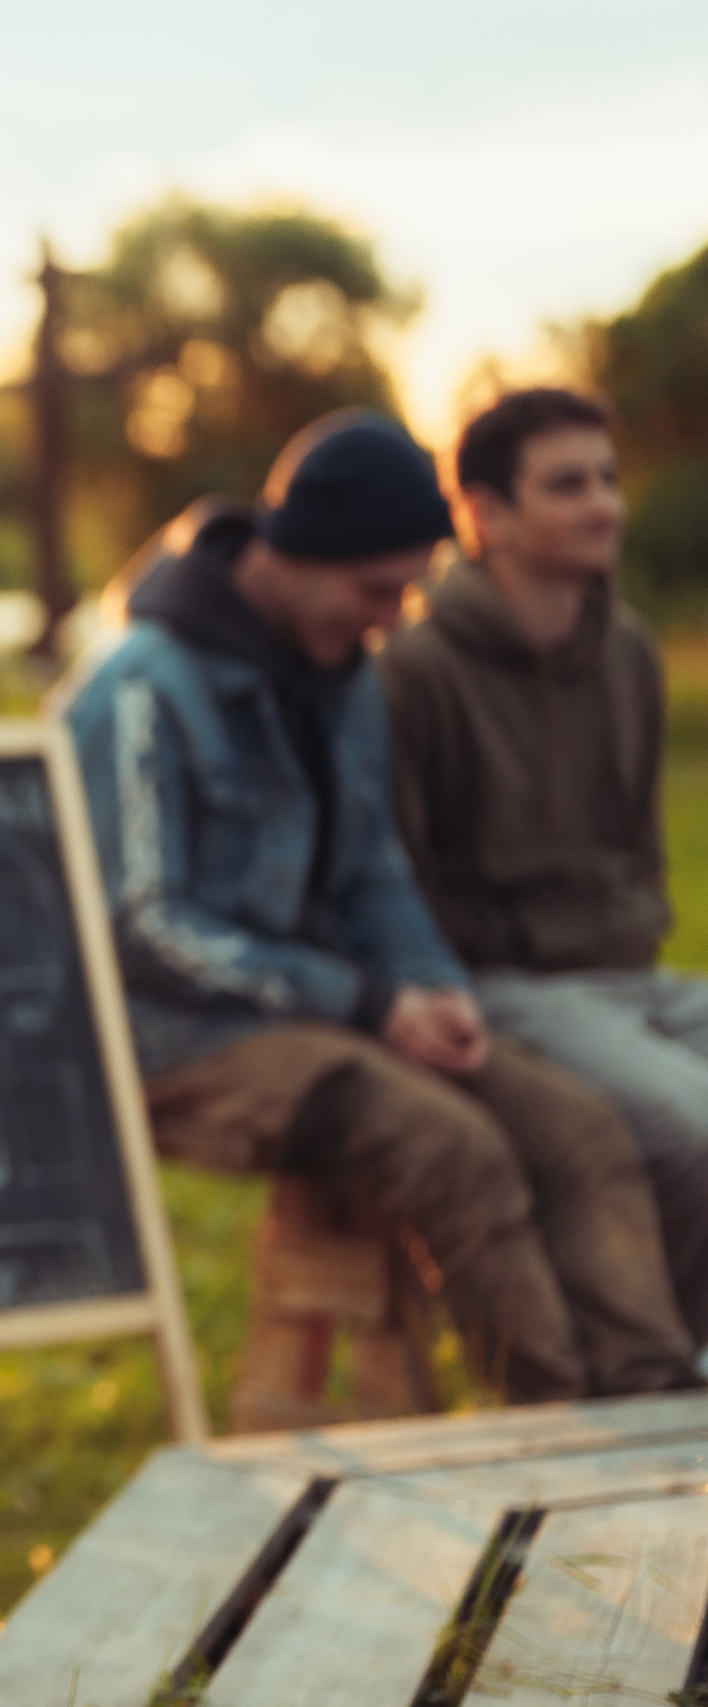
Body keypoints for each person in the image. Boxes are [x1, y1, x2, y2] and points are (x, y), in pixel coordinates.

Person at [63, 412, 697, 1403]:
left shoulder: (344, 670)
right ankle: (555, 1436)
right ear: (291, 555)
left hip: (325, 1010)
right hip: (171, 1034)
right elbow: (140, 925)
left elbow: (372, 870)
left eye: (407, 588)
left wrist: (429, 985)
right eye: (375, 589)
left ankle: (652, 1402)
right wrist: (365, 1004)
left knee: (578, 1132)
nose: (393, 618)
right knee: (453, 1148)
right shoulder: (140, 687)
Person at [382, 387, 708, 1343]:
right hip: (508, 983)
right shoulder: (415, 669)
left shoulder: (632, 654)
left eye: (606, 479)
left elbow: (641, 846)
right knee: (690, 1129)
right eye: (567, 485)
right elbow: (401, 880)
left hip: (632, 974)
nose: (602, 503)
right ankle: (682, 1367)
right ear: (485, 513)